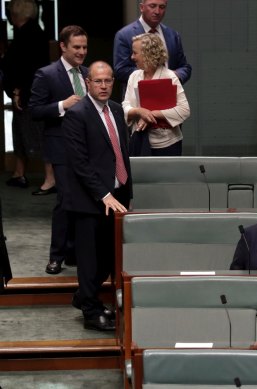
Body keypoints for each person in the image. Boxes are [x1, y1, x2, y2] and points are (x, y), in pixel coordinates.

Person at [63, 61, 132, 331]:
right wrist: (103, 194)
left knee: (108, 257)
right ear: (88, 83)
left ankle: (84, 297)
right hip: (90, 201)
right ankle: (91, 312)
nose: (104, 86)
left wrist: (124, 192)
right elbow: (79, 163)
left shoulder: (116, 110)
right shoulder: (77, 114)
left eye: (108, 81)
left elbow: (120, 153)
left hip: (118, 196)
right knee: (90, 259)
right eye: (98, 81)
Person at [29, 25, 88, 275]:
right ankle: (56, 256)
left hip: (87, 148)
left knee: (84, 199)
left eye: (85, 47)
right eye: (76, 47)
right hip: (60, 146)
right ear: (63, 47)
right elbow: (34, 110)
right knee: (65, 200)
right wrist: (63, 105)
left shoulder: (88, 73)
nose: (81, 52)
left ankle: (74, 251)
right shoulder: (47, 74)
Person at [1, 0, 51, 193]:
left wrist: (17, 91)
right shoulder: (32, 32)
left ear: (17, 14)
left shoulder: (28, 35)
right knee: (21, 133)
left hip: (28, 94)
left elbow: (25, 67)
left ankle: (50, 178)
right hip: (28, 92)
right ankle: (18, 173)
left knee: (36, 135)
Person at [122, 33, 190, 156]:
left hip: (168, 144)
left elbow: (184, 110)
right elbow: (125, 105)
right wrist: (139, 111)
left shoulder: (170, 77)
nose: (132, 57)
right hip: (140, 141)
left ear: (148, 54)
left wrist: (152, 114)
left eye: (135, 53)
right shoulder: (134, 76)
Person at [113, 0, 191, 91]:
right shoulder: (124, 35)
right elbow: (121, 71)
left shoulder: (173, 35)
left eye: (162, 7)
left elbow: (185, 67)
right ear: (142, 7)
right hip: (139, 97)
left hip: (170, 95)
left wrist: (176, 76)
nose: (157, 11)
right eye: (152, 6)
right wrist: (155, 76)